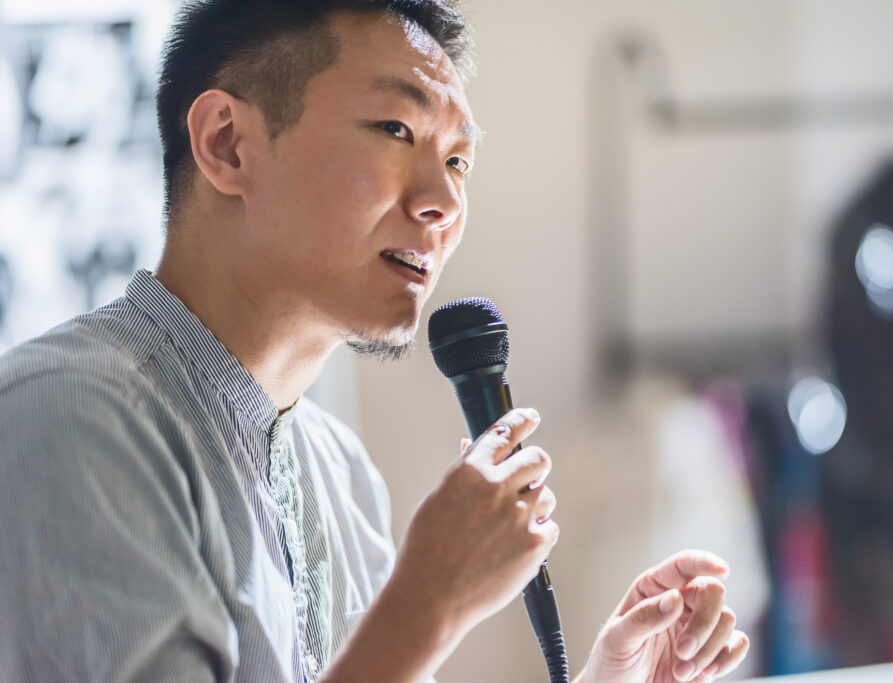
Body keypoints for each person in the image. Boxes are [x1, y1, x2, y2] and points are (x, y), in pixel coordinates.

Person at [0, 1, 749, 681]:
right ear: (227, 145)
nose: (445, 201)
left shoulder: (341, 469)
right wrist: (428, 603)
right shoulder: (70, 418)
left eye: (458, 158)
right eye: (397, 129)